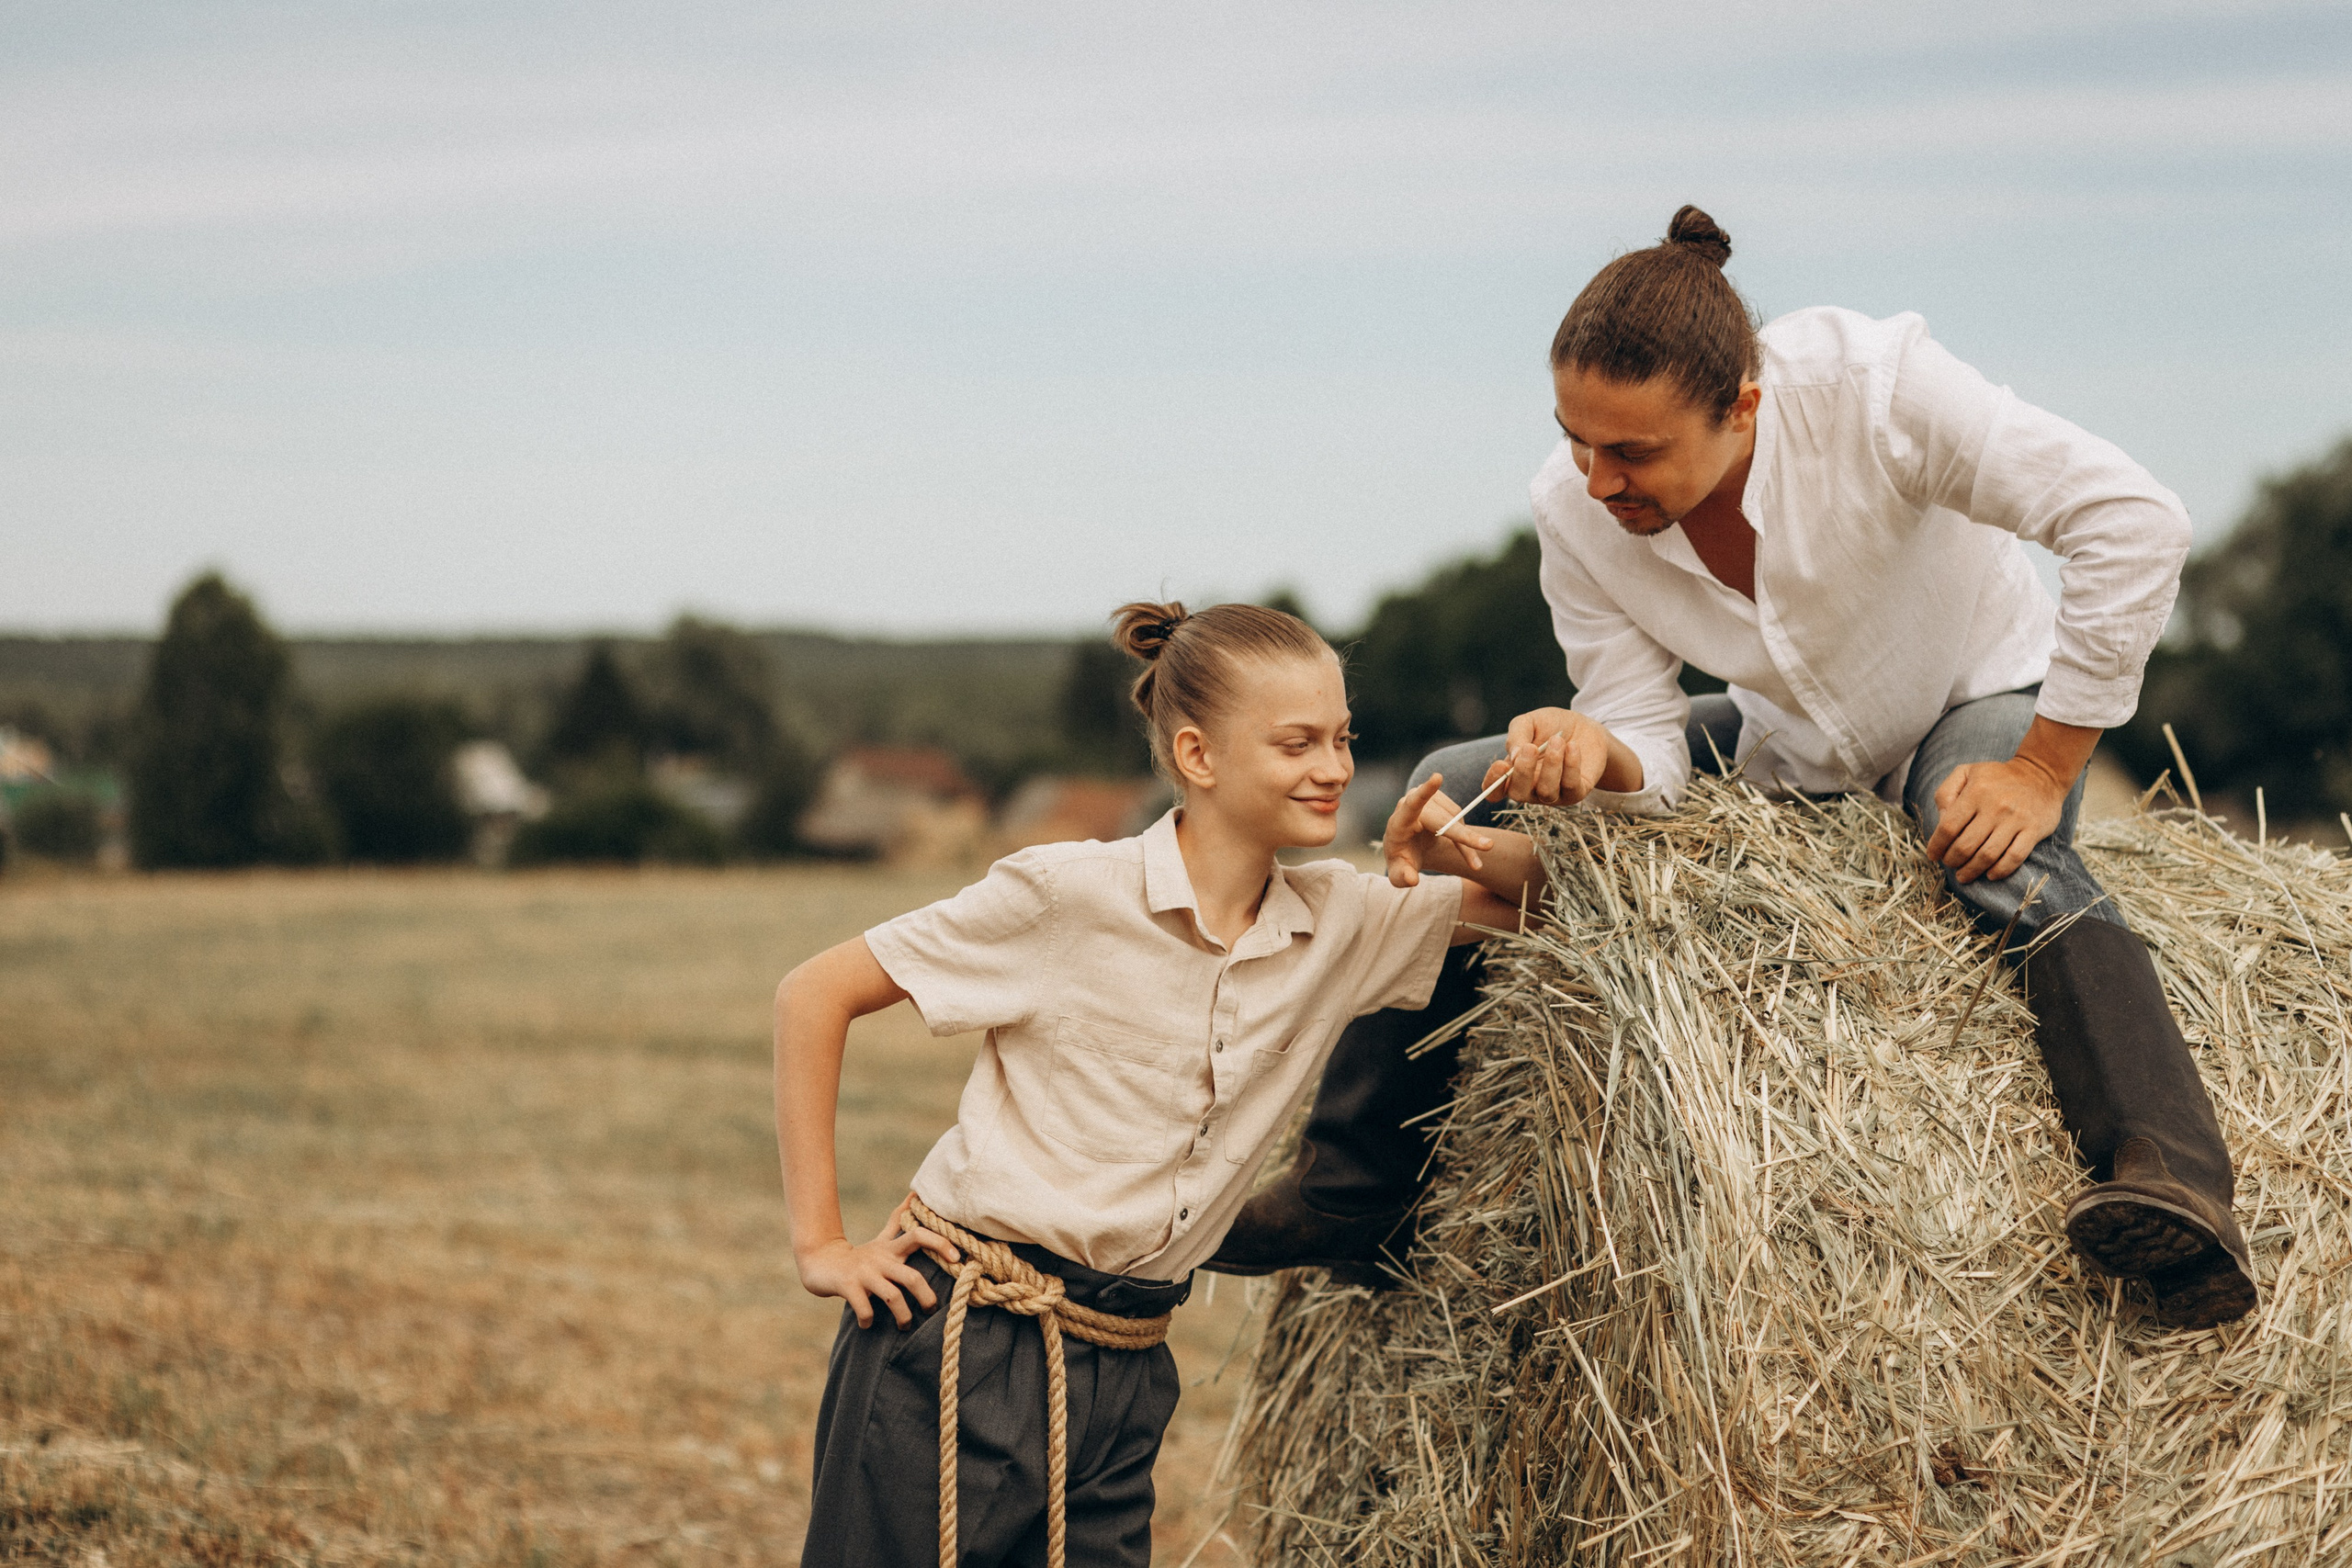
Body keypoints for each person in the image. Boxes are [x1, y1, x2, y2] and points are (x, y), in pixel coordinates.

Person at [1209, 204, 2257, 1333]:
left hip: (1973, 693)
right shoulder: (1575, 512)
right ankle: (1351, 1189)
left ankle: (2171, 1172)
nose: (1598, 477)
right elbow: (1639, 727)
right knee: (1458, 778)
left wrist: (2045, 766)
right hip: (1785, 744)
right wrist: (1593, 752)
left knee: (1984, 841)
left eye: (1633, 451)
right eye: (1577, 438)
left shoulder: (1879, 389)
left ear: (1742, 406)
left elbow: (2134, 520)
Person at [775, 600, 1555, 1568]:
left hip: (1128, 1360)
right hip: (963, 1343)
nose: (1336, 769)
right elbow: (814, 994)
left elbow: (1556, 906)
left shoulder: (1345, 922)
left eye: (1344, 739)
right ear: (1197, 755)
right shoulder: (1066, 895)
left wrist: (1444, 846)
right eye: (1297, 743)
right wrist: (821, 1244)